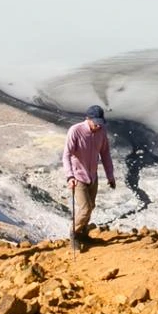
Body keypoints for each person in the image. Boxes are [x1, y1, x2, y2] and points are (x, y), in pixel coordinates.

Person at [63, 105, 116, 251]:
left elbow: (105, 154)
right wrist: (70, 176)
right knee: (85, 209)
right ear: (88, 119)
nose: (98, 125)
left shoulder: (101, 132)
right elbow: (66, 155)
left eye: (100, 122)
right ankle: (73, 233)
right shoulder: (76, 131)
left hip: (93, 176)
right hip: (78, 176)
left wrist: (110, 176)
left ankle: (83, 234)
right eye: (95, 122)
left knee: (91, 206)